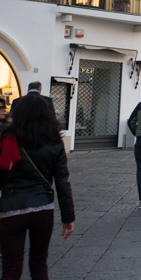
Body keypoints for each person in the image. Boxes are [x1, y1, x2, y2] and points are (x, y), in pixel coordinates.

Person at [0, 94, 75, 280]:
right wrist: (68, 217)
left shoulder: (6, 140)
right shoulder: (54, 142)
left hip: (11, 208)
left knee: (11, 268)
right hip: (42, 209)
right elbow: (62, 181)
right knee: (39, 263)